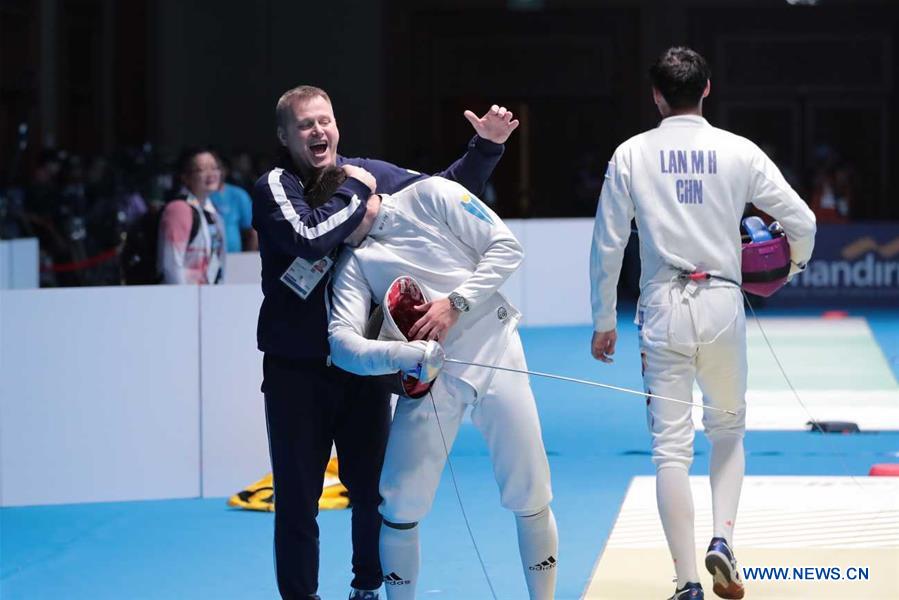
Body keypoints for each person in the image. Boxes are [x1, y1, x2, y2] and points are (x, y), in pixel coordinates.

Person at [252, 84, 519, 600]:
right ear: (285, 136)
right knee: (297, 501)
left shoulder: (368, 170)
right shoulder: (276, 185)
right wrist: (359, 198)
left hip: (364, 365)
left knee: (373, 493)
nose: (317, 131)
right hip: (296, 372)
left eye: (324, 120)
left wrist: (485, 147)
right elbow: (309, 237)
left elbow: (440, 194)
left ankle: (367, 589)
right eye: (304, 125)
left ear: (337, 125)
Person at [588, 47, 816, 600]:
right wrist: (793, 266)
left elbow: (608, 245)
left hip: (662, 307)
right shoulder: (738, 151)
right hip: (722, 301)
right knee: (727, 429)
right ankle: (724, 539)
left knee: (670, 449)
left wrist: (602, 319)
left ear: (657, 96)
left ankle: (688, 581)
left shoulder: (631, 154)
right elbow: (802, 221)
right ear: (707, 89)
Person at [324, 170, 557, 600]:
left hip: (496, 349)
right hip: (429, 378)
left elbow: (506, 247)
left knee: (530, 486)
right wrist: (404, 355)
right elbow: (341, 346)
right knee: (398, 502)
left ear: (367, 188)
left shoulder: (431, 194)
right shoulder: (353, 261)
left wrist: (455, 303)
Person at [158, 147, 226, 285]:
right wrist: (182, 299)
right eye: (202, 169)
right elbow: (172, 265)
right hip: (183, 299)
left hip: (207, 297)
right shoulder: (178, 209)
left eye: (215, 168)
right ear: (185, 178)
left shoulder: (214, 213)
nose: (211, 174)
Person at [211, 161, 258, 252]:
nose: (214, 173)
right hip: (206, 258)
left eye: (217, 168)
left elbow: (253, 231)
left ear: (225, 170)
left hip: (234, 257)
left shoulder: (239, 194)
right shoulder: (200, 195)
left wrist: (248, 258)